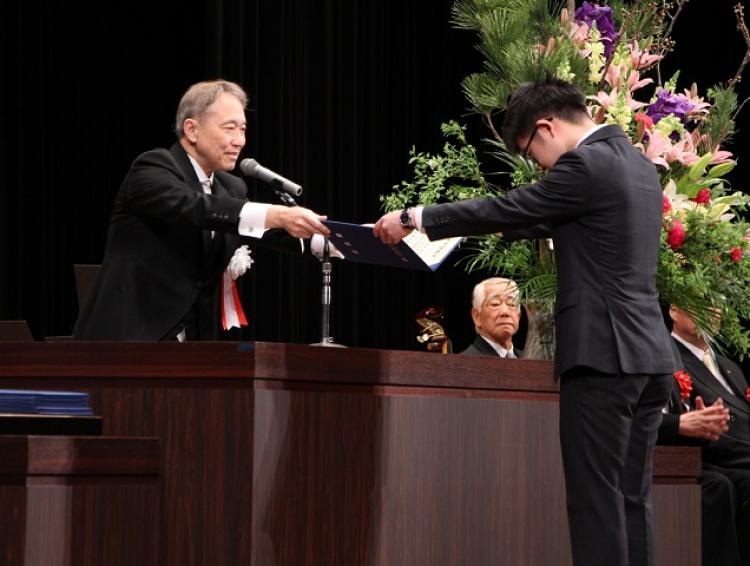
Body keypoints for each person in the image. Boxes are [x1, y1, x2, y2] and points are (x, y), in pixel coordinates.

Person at [373, 77, 676, 566]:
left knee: (596, 503)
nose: (538, 166)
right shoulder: (637, 164)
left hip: (604, 357)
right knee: (631, 498)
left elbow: (510, 206)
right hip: (650, 359)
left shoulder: (584, 164)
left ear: (546, 127)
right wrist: (460, 230)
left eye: (531, 153)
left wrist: (415, 217)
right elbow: (533, 217)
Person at [74, 80, 329, 341]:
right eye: (229, 128)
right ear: (192, 129)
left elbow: (266, 230)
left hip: (191, 345)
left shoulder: (230, 187)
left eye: (243, 129)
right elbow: (195, 207)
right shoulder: (152, 168)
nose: (239, 141)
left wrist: (337, 239)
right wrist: (276, 214)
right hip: (125, 339)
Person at [662, 304, 750, 565]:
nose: (713, 309)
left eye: (718, 303)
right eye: (702, 300)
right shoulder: (667, 357)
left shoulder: (727, 365)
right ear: (674, 311)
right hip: (711, 454)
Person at [460, 277, 522, 357]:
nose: (505, 312)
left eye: (511, 304)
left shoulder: (531, 358)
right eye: (495, 304)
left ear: (518, 315)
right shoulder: (464, 361)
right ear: (477, 317)